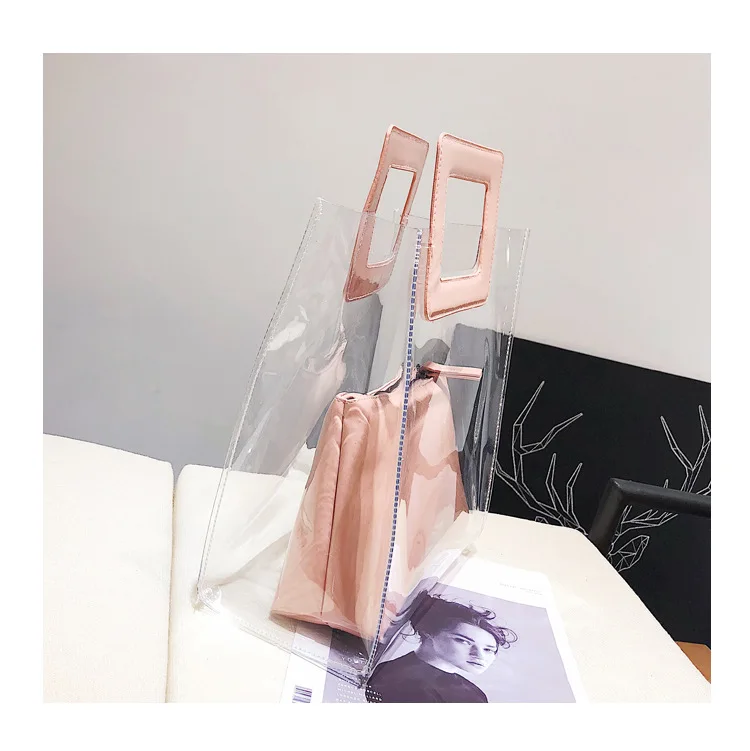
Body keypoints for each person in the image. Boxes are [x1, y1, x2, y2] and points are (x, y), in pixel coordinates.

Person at [365, 593, 517, 703]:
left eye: (488, 650)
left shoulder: (471, 692)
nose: (480, 655)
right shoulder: (400, 682)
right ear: (428, 632)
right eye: (463, 641)